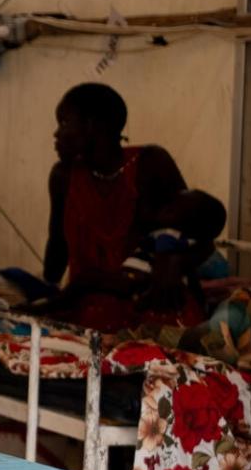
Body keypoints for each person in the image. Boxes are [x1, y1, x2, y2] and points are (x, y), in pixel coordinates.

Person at [41, 82, 226, 334]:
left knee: (168, 345)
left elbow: (202, 235)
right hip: (87, 306)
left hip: (152, 302)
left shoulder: (151, 163)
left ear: (92, 125)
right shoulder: (63, 177)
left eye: (64, 123)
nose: (56, 134)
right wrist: (50, 295)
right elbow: (56, 251)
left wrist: (175, 263)